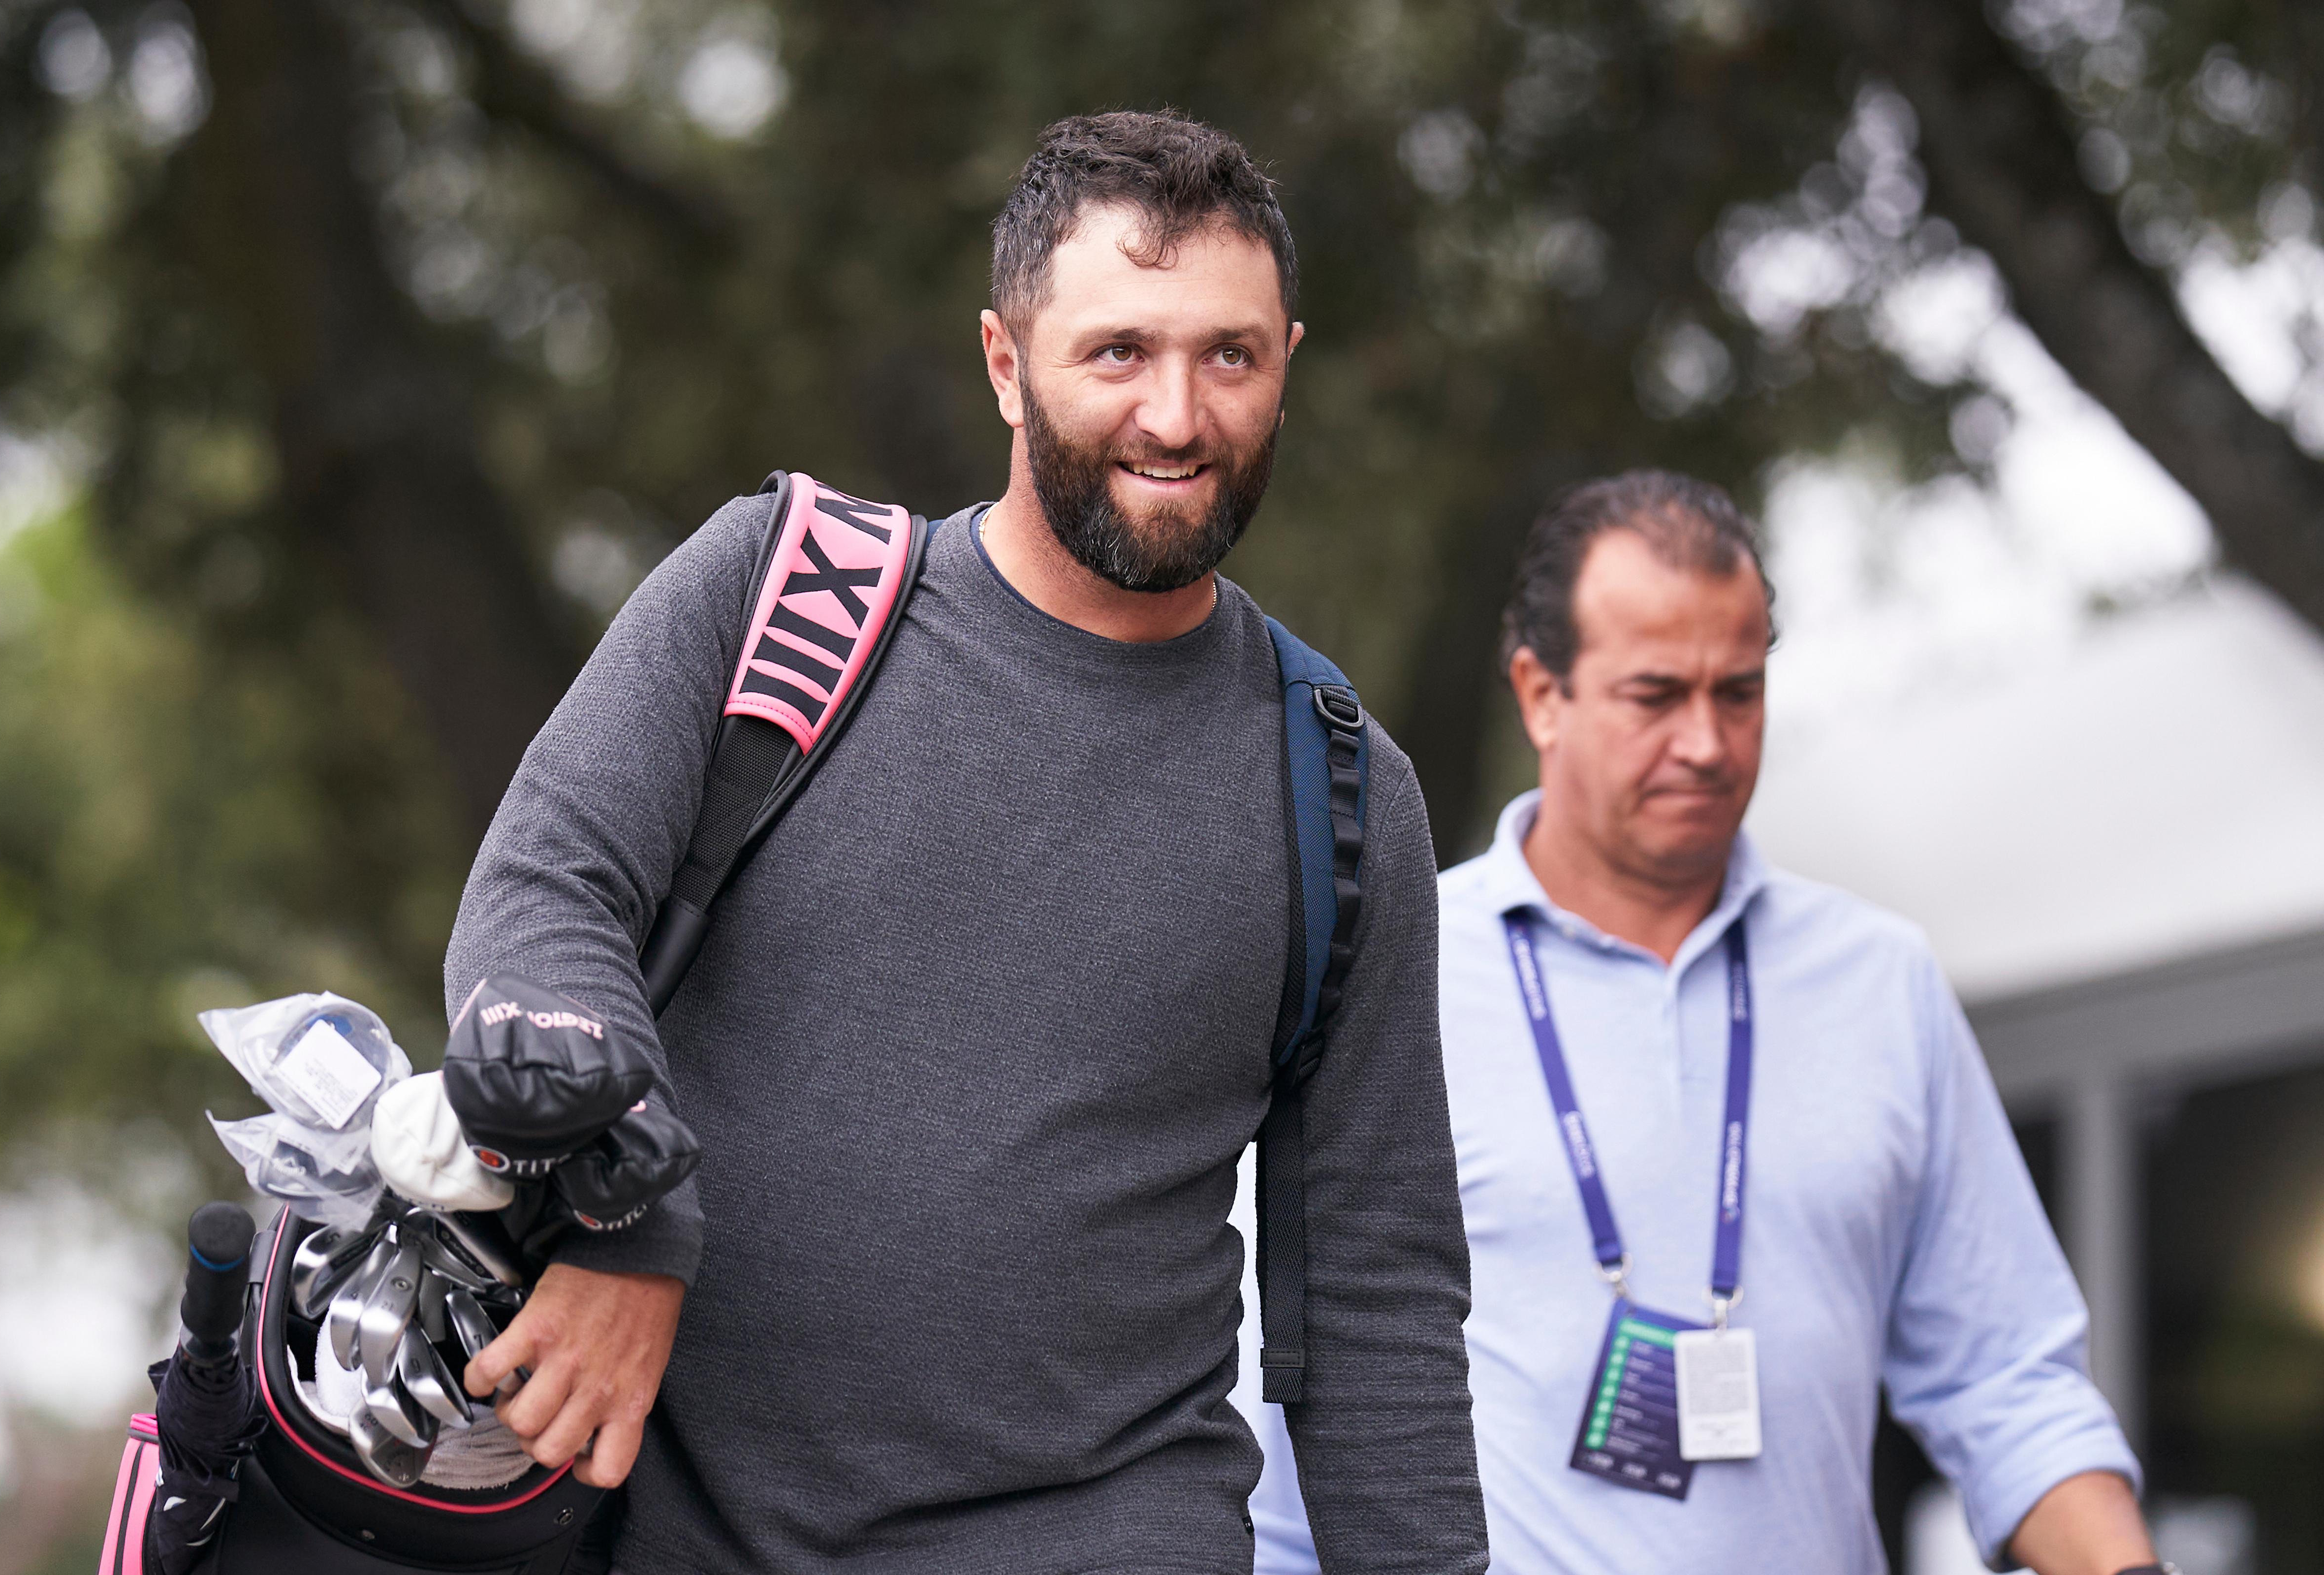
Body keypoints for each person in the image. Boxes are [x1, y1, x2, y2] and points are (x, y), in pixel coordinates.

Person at [442, 111, 1487, 1573]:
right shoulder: (776, 600)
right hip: (680, 1531)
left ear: (1286, 368)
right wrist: (626, 1207)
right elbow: (543, 899)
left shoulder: (1345, 795)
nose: (1178, 417)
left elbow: (1376, 1293)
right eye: (1118, 351)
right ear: (1006, 364)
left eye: (1228, 357)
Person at [1246, 471, 2163, 1573]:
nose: (1707, 742)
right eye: (1655, 695)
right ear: (1542, 694)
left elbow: (2008, 1378)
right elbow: (1287, 1416)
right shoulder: (1397, 970)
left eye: (1738, 692)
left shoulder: (1881, 981)